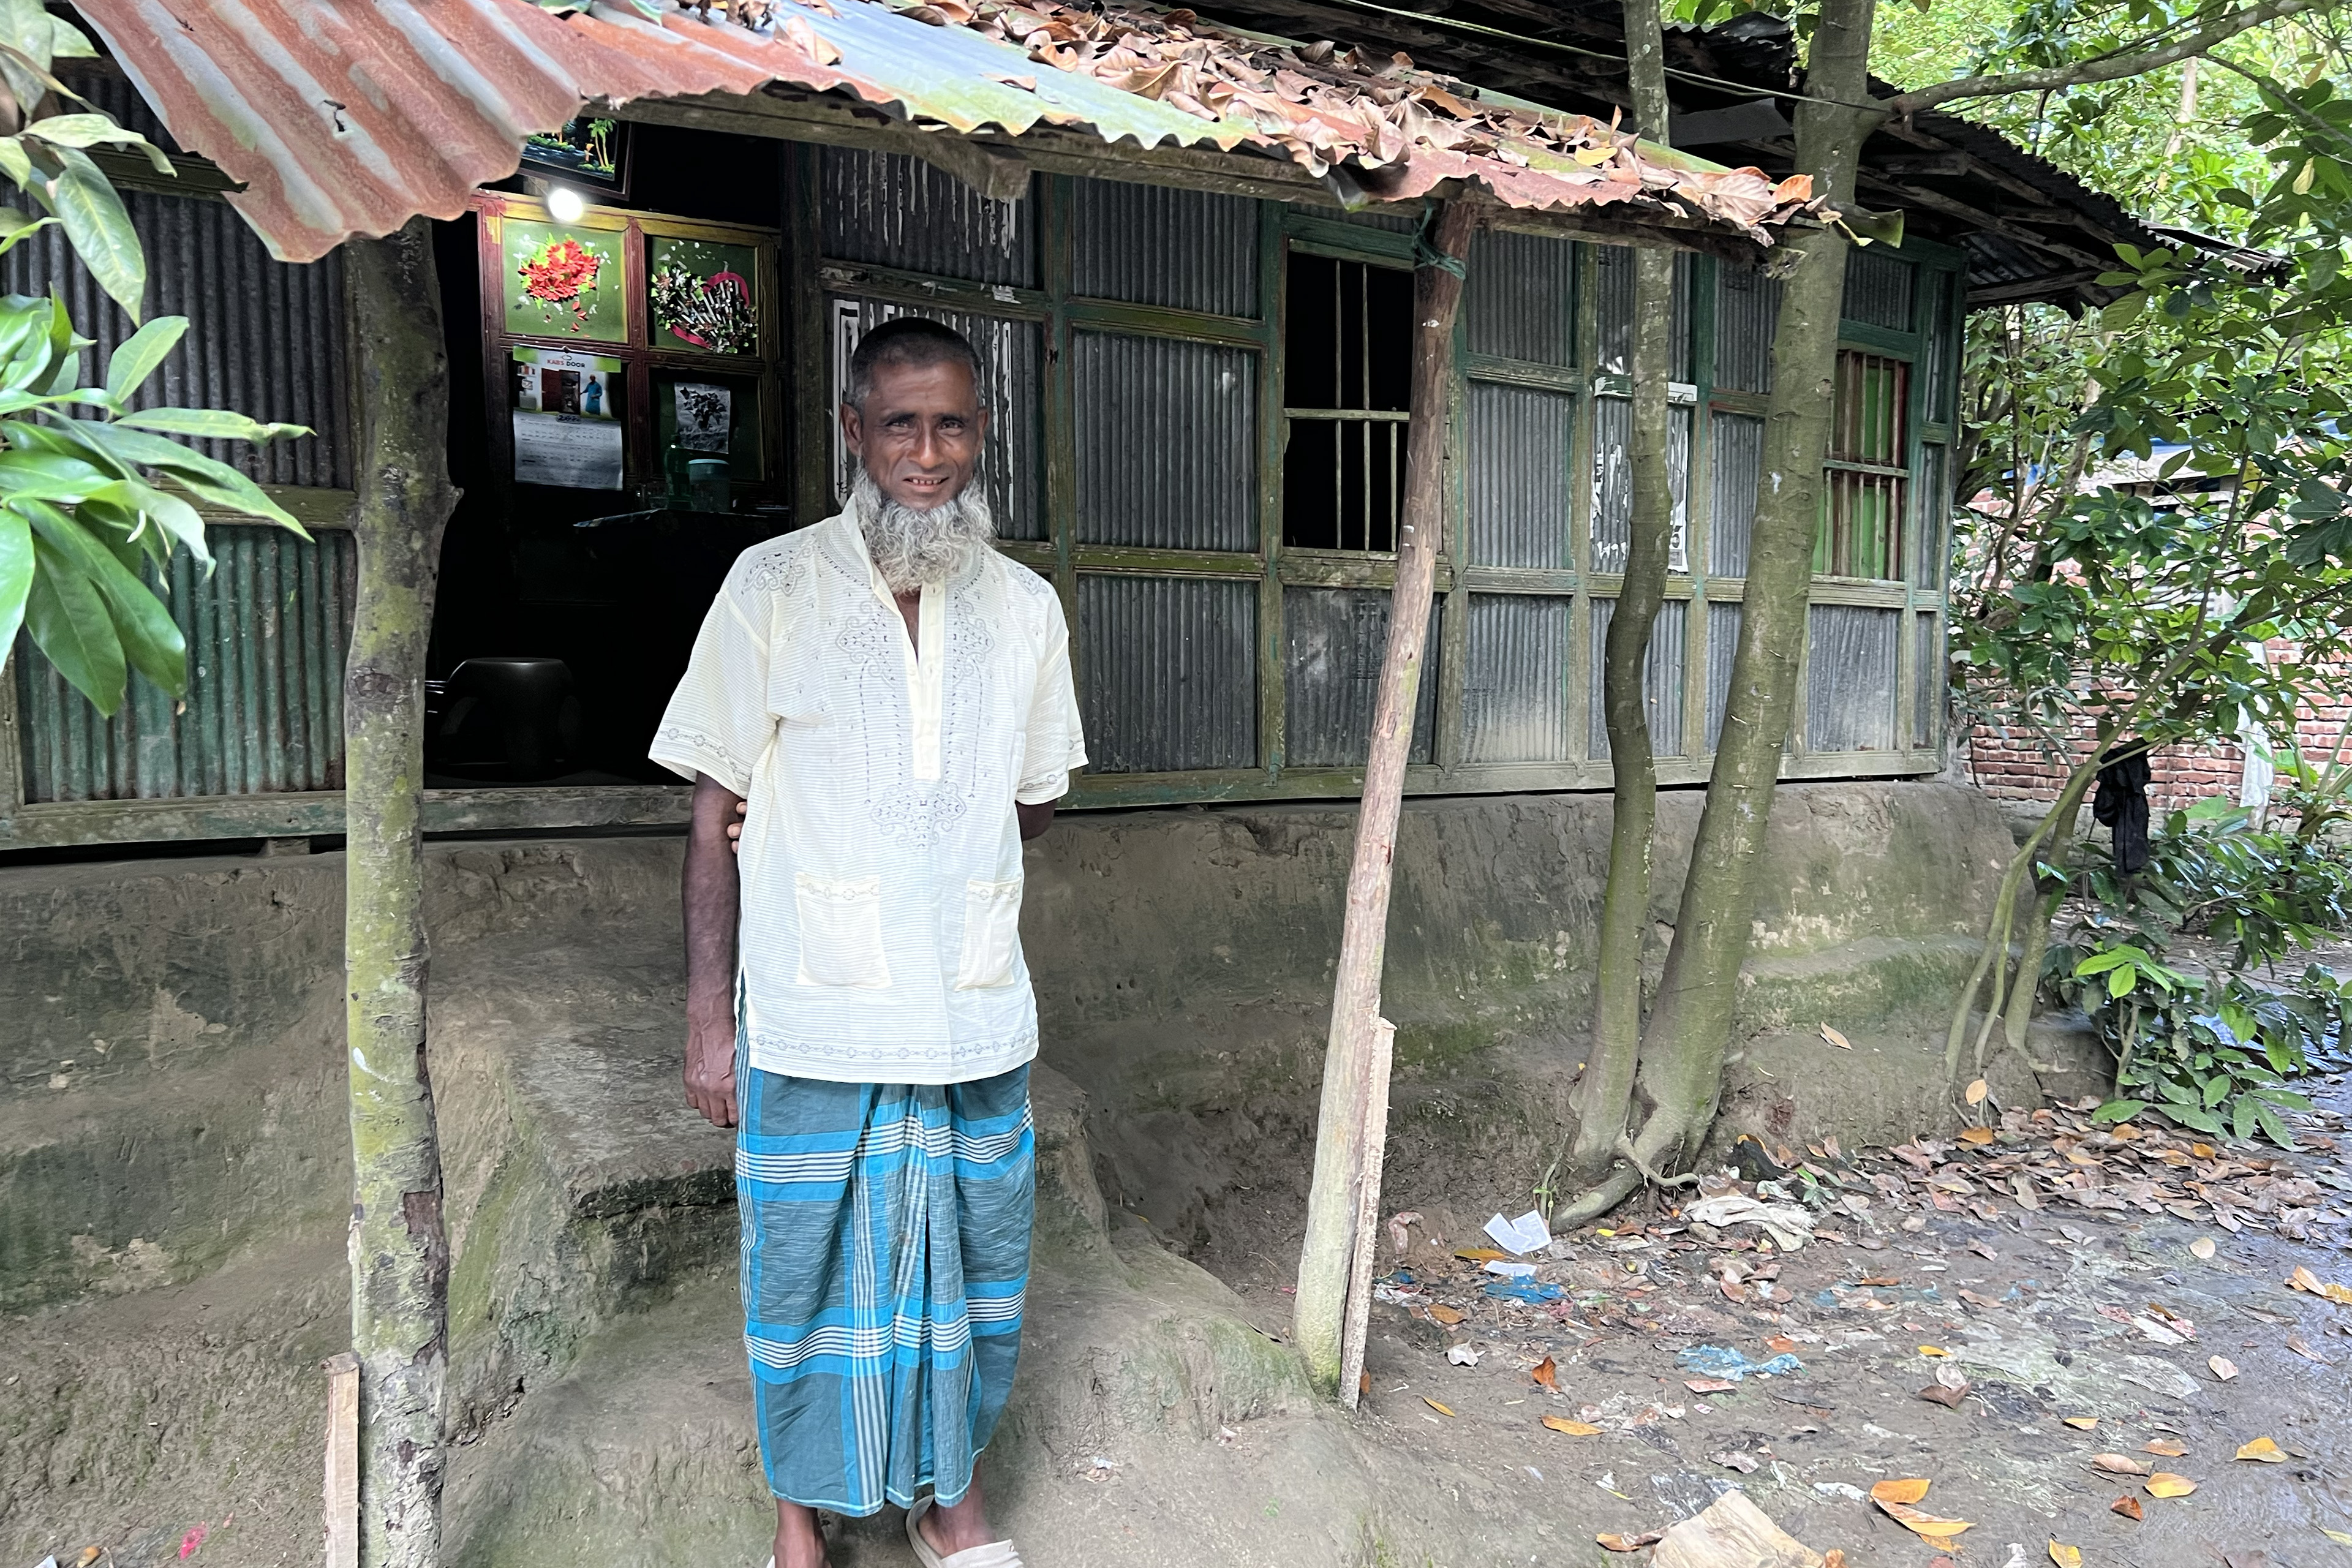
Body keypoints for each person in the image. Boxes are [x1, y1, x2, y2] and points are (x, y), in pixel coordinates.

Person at [651, 317, 1084, 1568]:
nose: (929, 453)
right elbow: (712, 805)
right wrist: (704, 1024)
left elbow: (1039, 794)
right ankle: (801, 1517)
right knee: (801, 1275)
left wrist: (941, 813)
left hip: (968, 1001)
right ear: (854, 431)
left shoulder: (1023, 606)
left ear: (982, 430)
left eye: (953, 424)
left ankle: (952, 1501)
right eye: (900, 424)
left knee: (975, 1272)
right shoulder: (773, 585)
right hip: (811, 1002)